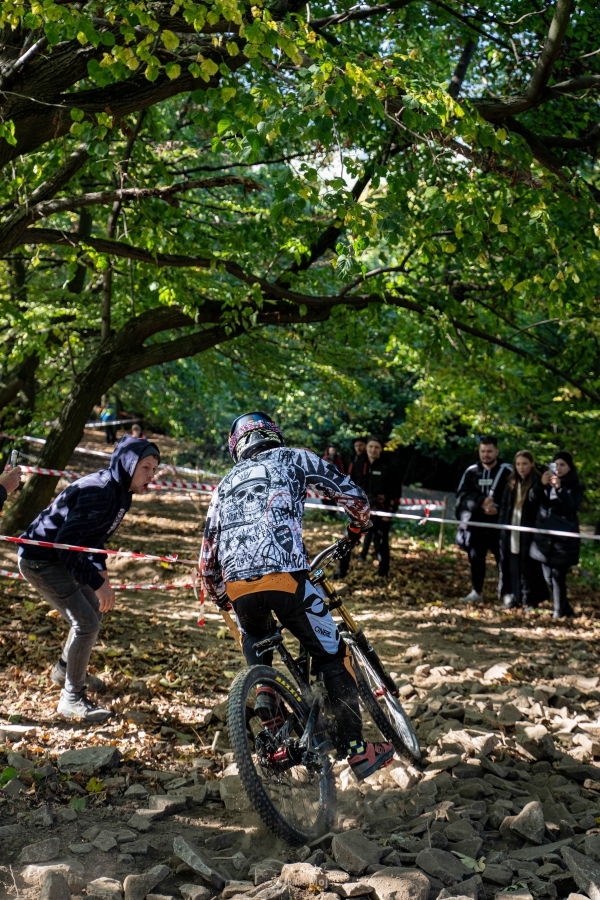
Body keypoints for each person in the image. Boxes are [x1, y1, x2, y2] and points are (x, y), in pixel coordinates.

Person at [199, 411, 394, 780]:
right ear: (273, 434)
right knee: (334, 655)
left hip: (238, 588)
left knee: (256, 639)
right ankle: (356, 750)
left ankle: (268, 702)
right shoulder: (295, 457)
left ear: (236, 446)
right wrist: (356, 528)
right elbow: (355, 497)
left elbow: (206, 561)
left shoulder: (223, 485)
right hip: (288, 578)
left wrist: (223, 598)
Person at [18, 436, 160, 722]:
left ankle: (65, 671)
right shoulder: (100, 491)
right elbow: (66, 544)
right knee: (86, 623)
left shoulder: (122, 492)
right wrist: (97, 584)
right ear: (128, 464)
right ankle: (71, 698)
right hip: (41, 560)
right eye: (146, 468)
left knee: (94, 610)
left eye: (154, 470)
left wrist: (101, 577)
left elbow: (93, 539)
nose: (151, 476)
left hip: (60, 558)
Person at [456, 435, 512, 603]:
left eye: (489, 451)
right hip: (476, 526)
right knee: (476, 559)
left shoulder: (507, 472)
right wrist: (480, 502)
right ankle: (476, 591)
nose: (486, 455)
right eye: (483, 451)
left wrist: (498, 509)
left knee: (503, 560)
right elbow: (461, 496)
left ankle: (506, 594)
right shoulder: (471, 472)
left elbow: (514, 497)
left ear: (497, 451)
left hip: (499, 526)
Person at [530, 451, 584, 619]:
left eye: (562, 465)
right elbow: (532, 499)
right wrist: (540, 484)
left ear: (569, 467)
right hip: (544, 538)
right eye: (556, 464)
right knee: (548, 576)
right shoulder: (545, 482)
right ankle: (566, 609)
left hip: (564, 538)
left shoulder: (576, 486)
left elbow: (571, 507)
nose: (559, 468)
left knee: (558, 576)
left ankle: (559, 611)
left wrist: (560, 489)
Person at [340, 435, 400, 579]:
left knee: (381, 543)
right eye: (371, 447)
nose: (373, 450)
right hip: (359, 512)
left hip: (381, 512)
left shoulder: (389, 466)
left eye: (376, 447)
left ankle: (383, 574)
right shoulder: (358, 464)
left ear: (381, 449)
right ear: (366, 448)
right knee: (347, 541)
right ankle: (341, 572)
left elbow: (395, 492)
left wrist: (389, 513)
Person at [498, 451, 547, 611]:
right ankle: (515, 596)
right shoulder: (511, 482)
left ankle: (531, 600)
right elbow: (504, 506)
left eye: (524, 463)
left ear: (532, 464)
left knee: (529, 566)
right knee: (512, 563)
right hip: (511, 528)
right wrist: (501, 527)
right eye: (518, 464)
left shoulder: (537, 482)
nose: (521, 467)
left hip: (529, 530)